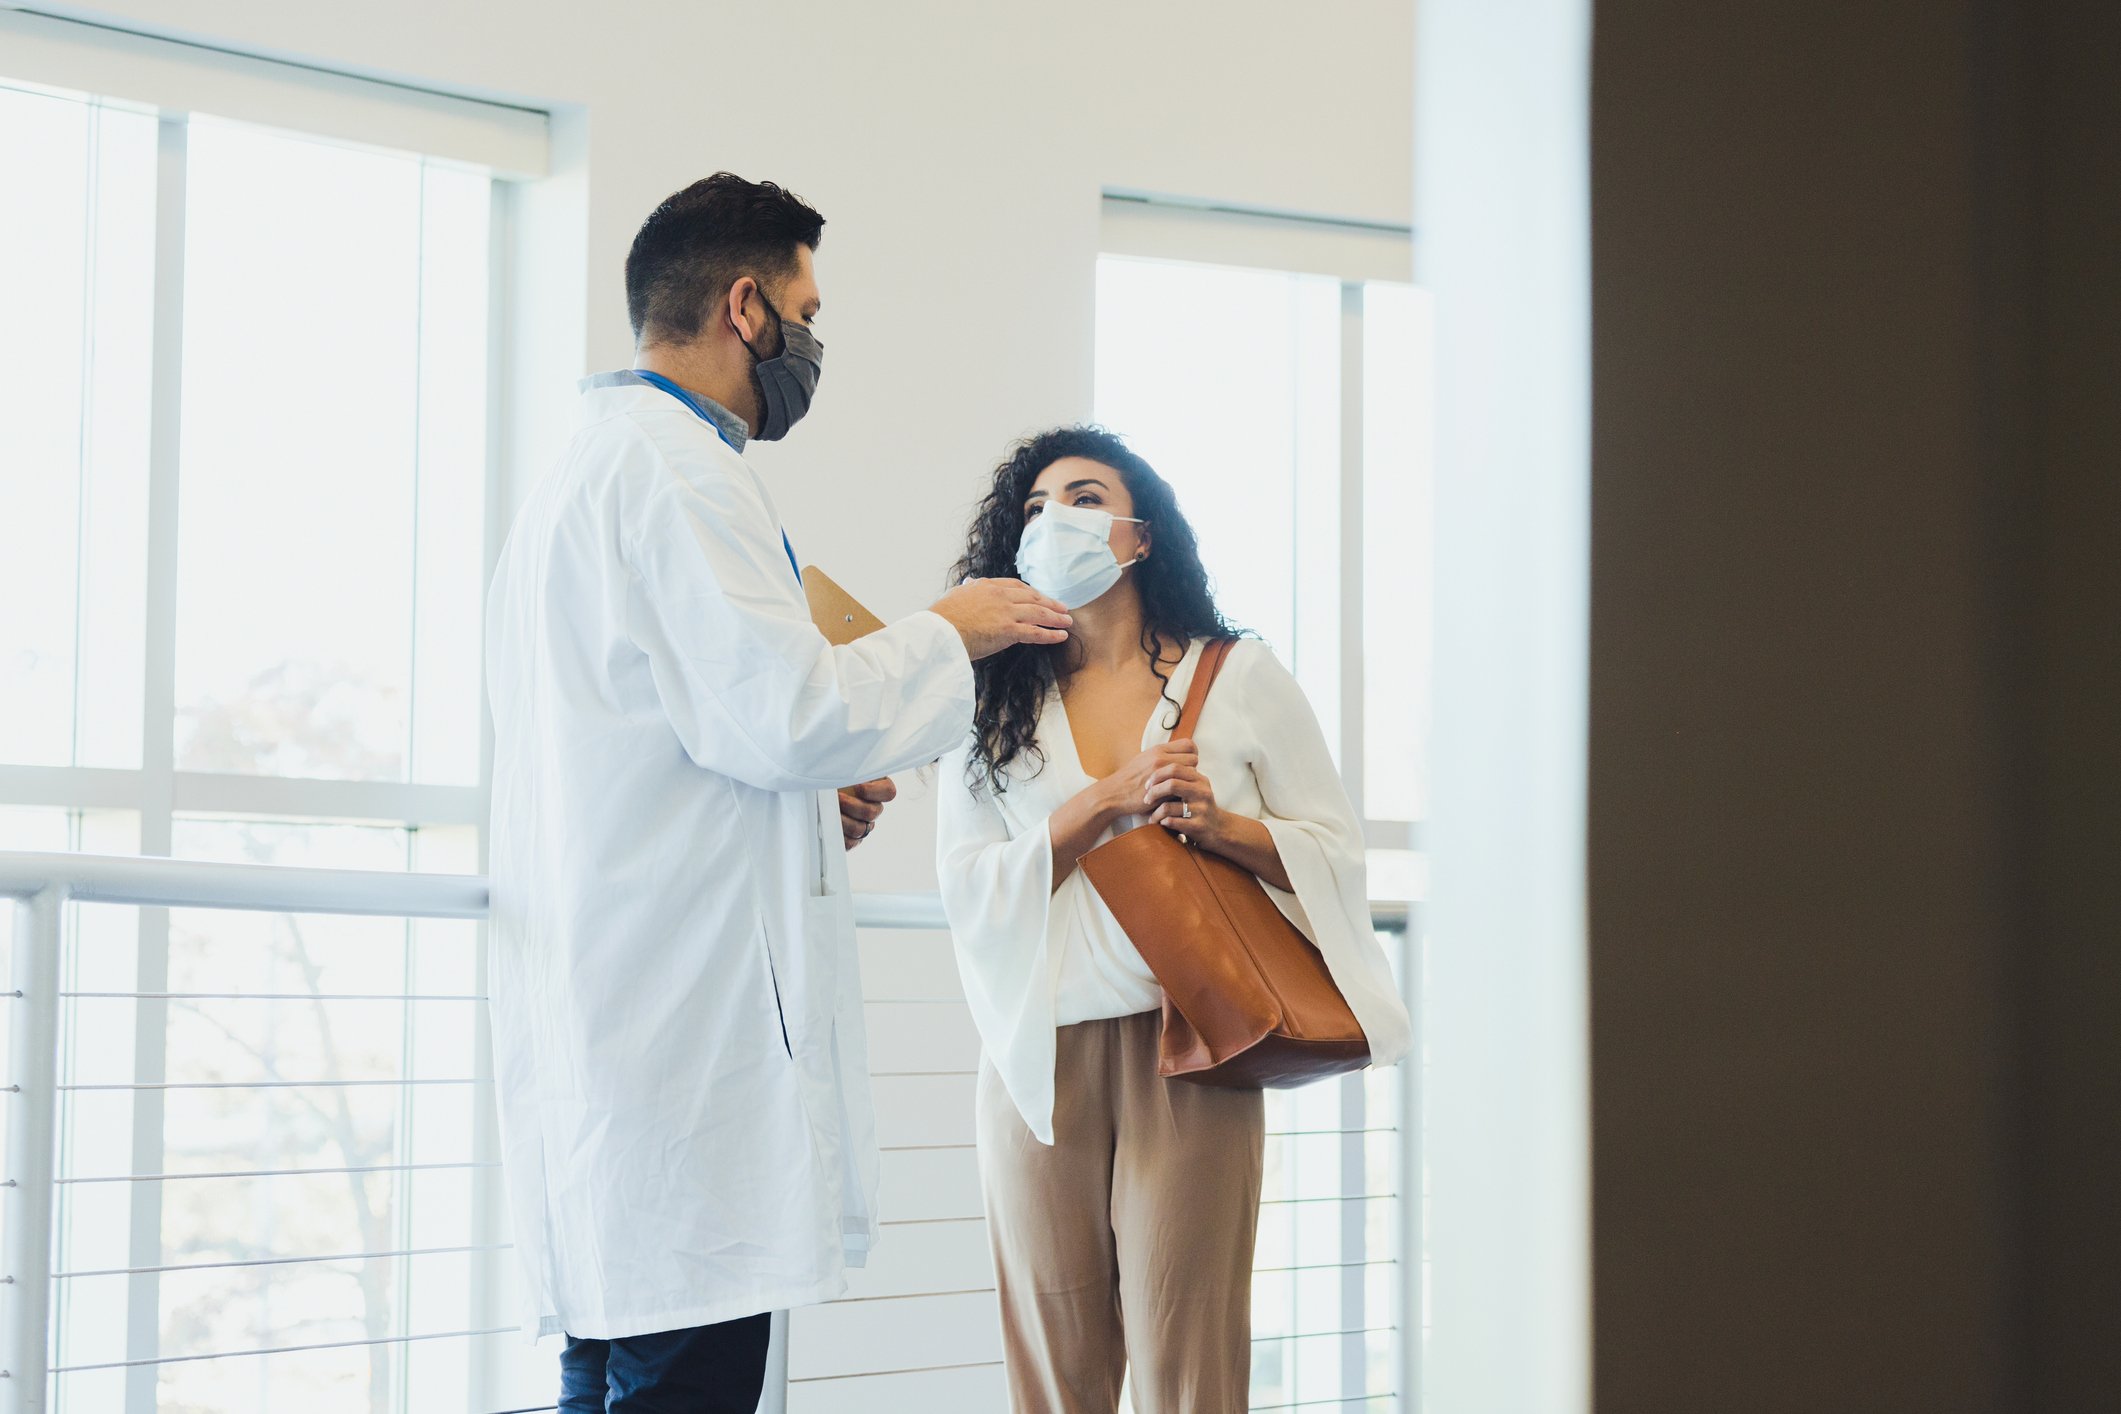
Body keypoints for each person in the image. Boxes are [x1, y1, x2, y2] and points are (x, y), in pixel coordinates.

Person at [484, 173, 1073, 1413]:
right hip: (680, 1049)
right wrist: (951, 629)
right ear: (746, 305)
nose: (812, 343)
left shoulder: (584, 475)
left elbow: (688, 735)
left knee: (611, 1375)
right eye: (808, 310)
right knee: (678, 1382)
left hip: (620, 1031)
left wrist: (811, 805)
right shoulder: (684, 476)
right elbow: (785, 711)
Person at [934, 427, 1411, 1413]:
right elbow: (967, 882)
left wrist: (1225, 826)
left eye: (1081, 496)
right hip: (1035, 1063)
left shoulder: (1237, 676)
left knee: (1189, 1363)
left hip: (1193, 1043)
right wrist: (1102, 803)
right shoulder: (991, 701)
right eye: (1032, 507)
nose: (1050, 519)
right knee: (1053, 1369)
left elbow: (1334, 844)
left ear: (1139, 535)